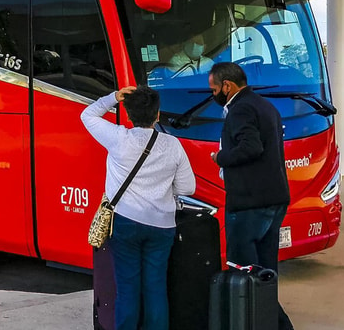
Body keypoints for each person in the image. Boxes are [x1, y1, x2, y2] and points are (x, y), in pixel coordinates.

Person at [82, 85, 196, 330]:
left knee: (127, 289)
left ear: (128, 115)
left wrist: (113, 97)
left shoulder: (118, 137)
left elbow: (87, 115)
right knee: (155, 288)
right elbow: (188, 187)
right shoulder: (173, 144)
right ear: (157, 115)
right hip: (162, 225)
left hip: (125, 224)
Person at [209, 62, 295, 330]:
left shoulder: (240, 108)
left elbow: (251, 147)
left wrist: (220, 157)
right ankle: (268, 323)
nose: (212, 94)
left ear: (227, 86)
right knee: (265, 271)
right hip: (274, 198)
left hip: (249, 202)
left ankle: (265, 323)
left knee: (244, 270)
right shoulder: (264, 105)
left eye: (213, 89)